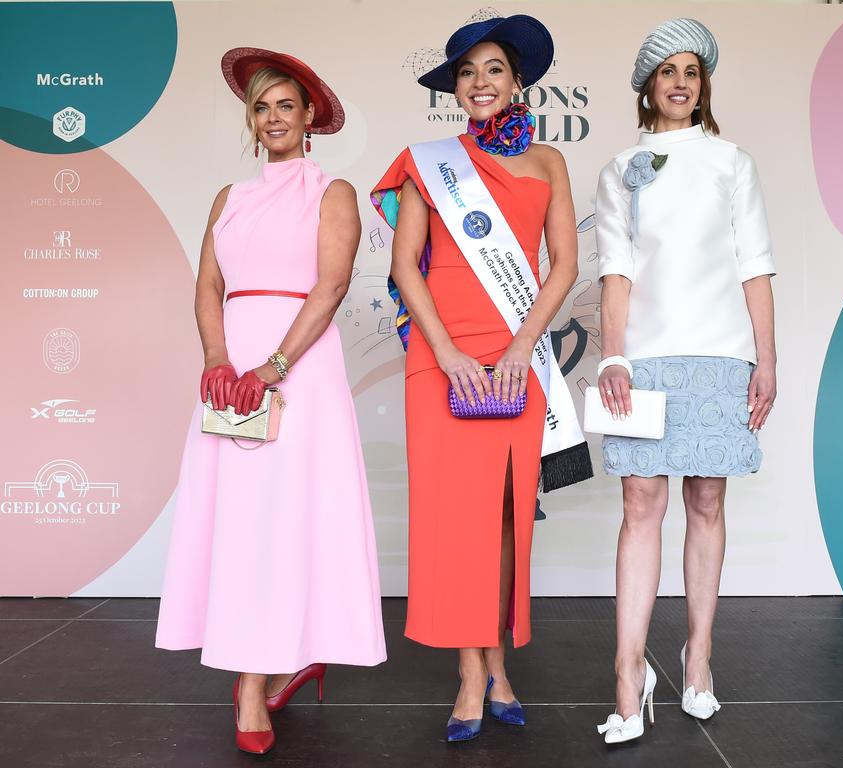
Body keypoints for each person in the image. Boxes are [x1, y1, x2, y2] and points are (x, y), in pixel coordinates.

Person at [155, 47, 385, 755]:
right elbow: (206, 288)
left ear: (309, 116)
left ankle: (275, 666)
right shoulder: (230, 197)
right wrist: (220, 360)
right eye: (262, 107)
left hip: (300, 370)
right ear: (251, 123)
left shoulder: (333, 191)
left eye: (287, 104)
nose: (275, 117)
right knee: (243, 519)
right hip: (232, 375)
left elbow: (333, 285)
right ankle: (255, 676)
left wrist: (274, 365)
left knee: (290, 516)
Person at [370, 14, 591, 743]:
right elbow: (406, 267)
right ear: (454, 90)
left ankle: (499, 663)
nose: (480, 83)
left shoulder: (549, 163)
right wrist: (451, 354)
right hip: (442, 359)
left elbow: (564, 263)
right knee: (451, 515)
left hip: (514, 353)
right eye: (466, 72)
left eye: (493, 68)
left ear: (518, 81)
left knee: (504, 514)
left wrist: (522, 346)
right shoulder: (426, 160)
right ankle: (472, 673)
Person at [594, 18, 778, 744]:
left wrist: (766, 358)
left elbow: (754, 264)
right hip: (643, 355)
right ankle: (626, 674)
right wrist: (613, 356)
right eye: (666, 71)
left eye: (691, 71)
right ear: (647, 86)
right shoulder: (620, 169)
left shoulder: (733, 161)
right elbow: (616, 273)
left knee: (706, 498)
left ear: (703, 85)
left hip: (721, 352)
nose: (679, 81)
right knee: (641, 504)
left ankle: (697, 657)